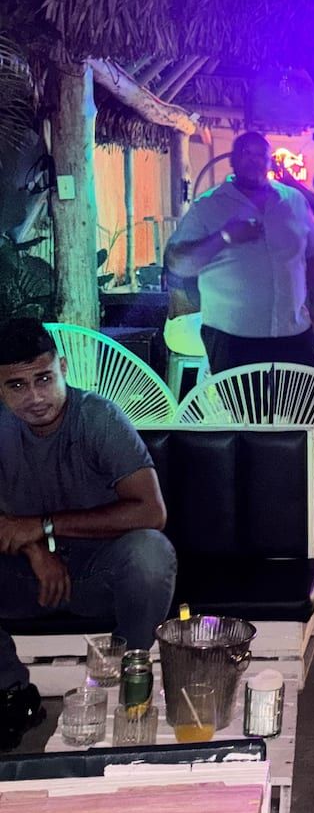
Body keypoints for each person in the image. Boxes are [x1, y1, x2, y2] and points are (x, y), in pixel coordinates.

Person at [0, 319, 176, 750]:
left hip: (100, 576)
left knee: (150, 554)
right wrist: (38, 550)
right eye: (17, 386)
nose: (36, 397)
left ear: (63, 368)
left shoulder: (96, 417)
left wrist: (43, 525)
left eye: (44, 378)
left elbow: (152, 512)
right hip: (26, 578)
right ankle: (11, 694)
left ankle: (129, 686)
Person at [165, 131, 314, 373]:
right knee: (245, 410)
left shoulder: (294, 202)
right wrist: (224, 237)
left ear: (269, 162)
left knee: (302, 407)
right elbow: (178, 263)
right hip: (233, 337)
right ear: (233, 160)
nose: (254, 160)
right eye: (247, 153)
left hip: (293, 331)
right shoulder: (208, 206)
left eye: (261, 155)